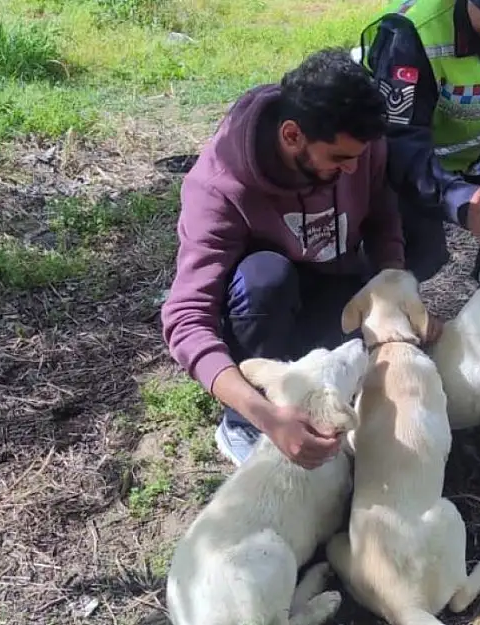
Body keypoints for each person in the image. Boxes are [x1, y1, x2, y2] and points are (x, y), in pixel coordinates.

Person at [161, 48, 416, 468]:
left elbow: (383, 212)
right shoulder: (219, 187)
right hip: (266, 309)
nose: (354, 168)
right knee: (265, 279)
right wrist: (265, 417)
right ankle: (240, 425)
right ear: (292, 135)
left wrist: (393, 278)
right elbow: (186, 317)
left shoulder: (355, 141)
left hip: (335, 281)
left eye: (360, 155)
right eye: (339, 158)